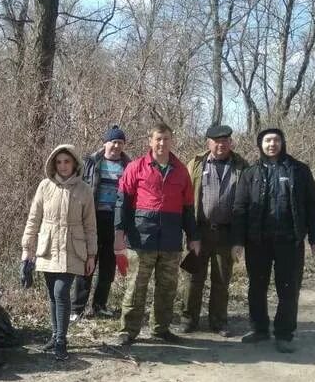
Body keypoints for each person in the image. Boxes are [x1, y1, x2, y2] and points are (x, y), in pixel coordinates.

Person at [231, 128, 315, 353]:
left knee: (289, 289)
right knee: (257, 286)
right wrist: (238, 241)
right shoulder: (250, 173)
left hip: (289, 241)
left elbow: (313, 206)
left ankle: (284, 333)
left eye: (275, 140)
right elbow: (239, 209)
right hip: (258, 241)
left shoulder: (299, 170)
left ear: (282, 143)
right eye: (267, 140)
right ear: (260, 144)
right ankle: (259, 328)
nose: (271, 144)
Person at [114, 122, 201, 347]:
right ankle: (128, 331)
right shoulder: (135, 167)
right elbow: (122, 203)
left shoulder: (181, 170)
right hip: (141, 239)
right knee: (136, 288)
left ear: (172, 141)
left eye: (166, 139)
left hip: (171, 240)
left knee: (167, 288)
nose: (162, 143)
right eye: (158, 139)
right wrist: (119, 234)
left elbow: (189, 208)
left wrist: (193, 237)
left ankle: (160, 329)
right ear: (150, 141)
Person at [22, 144, 97, 360]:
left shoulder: (84, 190)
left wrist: (91, 255)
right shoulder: (45, 186)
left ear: (74, 163)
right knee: (52, 296)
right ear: (54, 164)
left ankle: (62, 341)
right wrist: (27, 249)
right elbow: (33, 219)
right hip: (47, 247)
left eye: (67, 161)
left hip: (73, 249)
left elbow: (91, 226)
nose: (63, 166)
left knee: (61, 293)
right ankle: (55, 336)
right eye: (59, 162)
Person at [180, 124, 248, 337]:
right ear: (208, 143)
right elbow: (186, 200)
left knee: (221, 280)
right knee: (193, 278)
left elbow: (246, 204)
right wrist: (191, 234)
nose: (221, 145)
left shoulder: (241, 166)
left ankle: (219, 321)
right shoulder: (196, 163)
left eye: (225, 141)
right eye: (216, 141)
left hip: (227, 233)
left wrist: (239, 240)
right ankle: (189, 319)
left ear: (230, 142)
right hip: (199, 231)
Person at [70, 125, 132, 321]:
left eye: (120, 142)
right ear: (105, 143)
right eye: (113, 142)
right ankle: (77, 308)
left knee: (108, 266)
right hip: (92, 219)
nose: (116, 146)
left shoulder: (129, 166)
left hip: (115, 222)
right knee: (86, 264)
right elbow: (77, 188)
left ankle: (99, 305)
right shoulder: (90, 163)